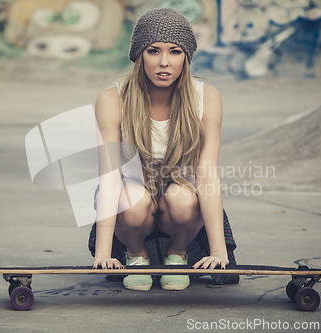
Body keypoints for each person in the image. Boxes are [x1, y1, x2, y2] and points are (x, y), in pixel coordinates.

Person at [89, 8, 238, 291]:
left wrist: (218, 250)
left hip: (181, 203)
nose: (164, 62)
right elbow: (109, 177)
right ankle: (136, 254)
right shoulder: (112, 99)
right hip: (130, 201)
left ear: (187, 57)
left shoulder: (207, 98)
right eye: (154, 51)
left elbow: (207, 176)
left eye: (175, 52)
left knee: (182, 195)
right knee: (132, 197)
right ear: (139, 55)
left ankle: (177, 254)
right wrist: (103, 253)